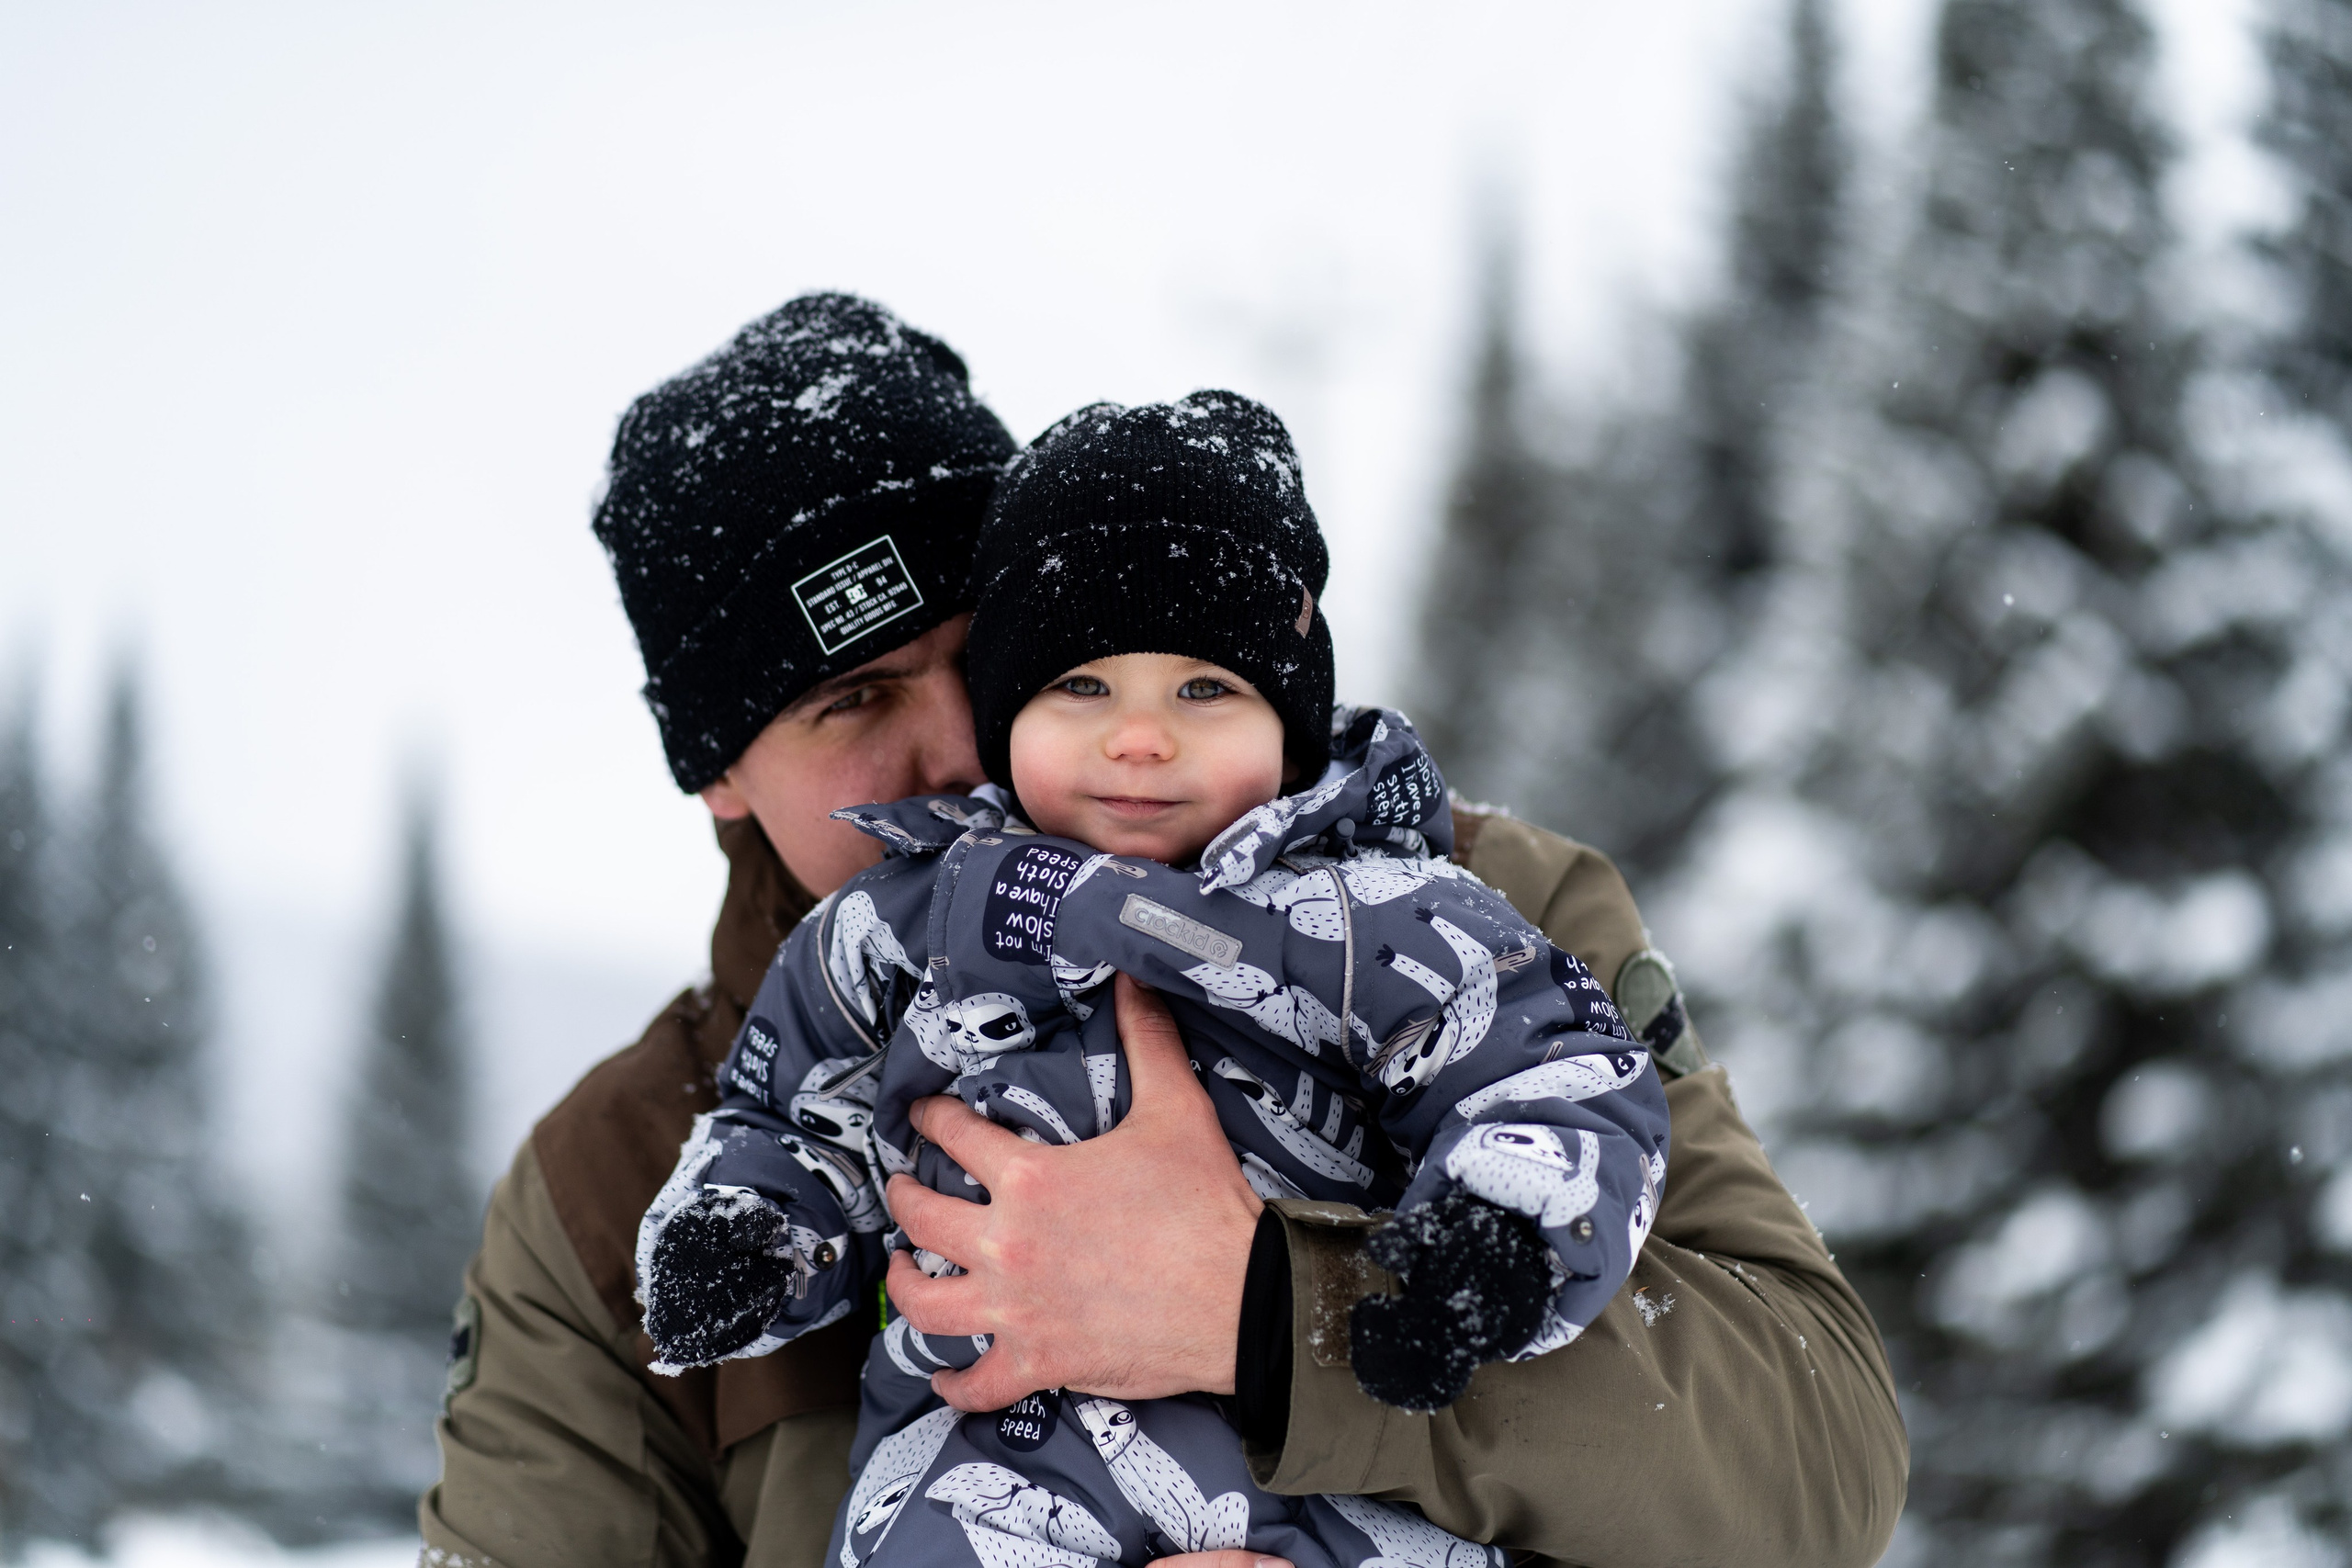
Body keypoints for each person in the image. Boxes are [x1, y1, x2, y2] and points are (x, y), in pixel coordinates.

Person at [418, 292, 1907, 1568]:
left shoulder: (1470, 907)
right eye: (854, 701)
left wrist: (1273, 1312)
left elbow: (1815, 1464)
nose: (962, 749)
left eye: (993, 659)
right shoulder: (614, 1178)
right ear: (722, 776)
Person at [630, 391, 1674, 1568]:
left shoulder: (1385, 911)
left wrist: (1486, 1249)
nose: (1139, 739)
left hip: (1347, 1483)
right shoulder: (910, 917)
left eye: (1202, 689)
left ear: (1289, 716)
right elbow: (791, 1109)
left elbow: (1554, 1075)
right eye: (1082, 688)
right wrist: (751, 1231)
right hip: (996, 1472)